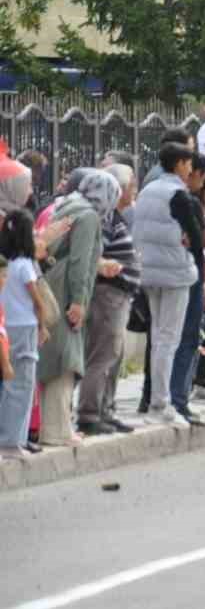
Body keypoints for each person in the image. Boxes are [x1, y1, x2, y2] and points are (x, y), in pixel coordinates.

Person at [35, 170, 119, 446]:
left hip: (52, 282)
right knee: (65, 359)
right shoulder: (89, 216)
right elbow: (79, 263)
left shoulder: (68, 204)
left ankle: (54, 426)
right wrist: (79, 302)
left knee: (53, 356)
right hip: (65, 290)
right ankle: (58, 431)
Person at [132, 144, 203, 427]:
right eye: (188, 164)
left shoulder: (147, 191)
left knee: (158, 337)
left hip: (148, 272)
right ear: (180, 164)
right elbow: (197, 239)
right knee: (168, 340)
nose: (190, 170)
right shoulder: (179, 195)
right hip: (175, 273)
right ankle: (161, 403)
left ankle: (155, 401)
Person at [78, 163, 139, 435]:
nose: (133, 192)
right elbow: (95, 253)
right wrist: (108, 265)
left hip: (118, 294)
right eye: (130, 187)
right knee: (103, 356)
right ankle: (90, 414)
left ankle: (106, 409)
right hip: (107, 294)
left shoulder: (113, 216)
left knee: (114, 355)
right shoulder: (102, 217)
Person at [168, 155, 205, 423]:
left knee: (167, 339)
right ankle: (178, 399)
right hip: (189, 275)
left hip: (168, 274)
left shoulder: (161, 197)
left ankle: (164, 398)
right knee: (188, 338)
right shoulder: (189, 203)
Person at [0, 210, 48, 460]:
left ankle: (7, 437)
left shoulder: (6, 265)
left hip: (7, 327)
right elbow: (37, 300)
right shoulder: (25, 266)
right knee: (23, 385)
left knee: (7, 385)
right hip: (25, 328)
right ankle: (11, 441)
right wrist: (43, 325)